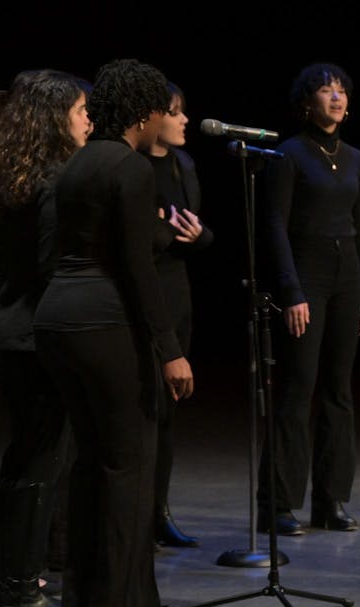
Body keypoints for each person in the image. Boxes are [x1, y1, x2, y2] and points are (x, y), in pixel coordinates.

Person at [34, 58, 192, 607]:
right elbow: (136, 269)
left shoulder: (75, 166)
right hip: (106, 326)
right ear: (145, 112)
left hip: (59, 320)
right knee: (128, 465)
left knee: (90, 465)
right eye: (162, 109)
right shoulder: (129, 168)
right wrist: (170, 349)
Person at [0, 69, 91, 607]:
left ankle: (5, 574)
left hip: (7, 325)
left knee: (25, 457)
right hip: (34, 336)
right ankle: (20, 585)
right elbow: (53, 272)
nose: (88, 120)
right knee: (42, 461)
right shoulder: (53, 181)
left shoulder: (13, 174)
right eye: (80, 111)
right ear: (55, 119)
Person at [257, 62, 360, 537]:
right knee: (297, 388)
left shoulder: (355, 159)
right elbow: (274, 228)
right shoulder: (288, 155)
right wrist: (292, 291)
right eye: (326, 91)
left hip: (346, 277)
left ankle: (331, 499)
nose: (336, 97)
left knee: (339, 391)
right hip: (306, 279)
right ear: (307, 101)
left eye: (342, 90)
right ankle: (278, 502)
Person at [144, 81, 213, 548]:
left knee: (168, 414)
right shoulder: (132, 168)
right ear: (151, 117)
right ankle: (135, 517)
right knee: (143, 411)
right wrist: (170, 235)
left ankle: (159, 513)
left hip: (178, 296)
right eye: (175, 111)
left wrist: (196, 235)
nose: (184, 119)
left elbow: (198, 231)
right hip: (144, 298)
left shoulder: (183, 164)